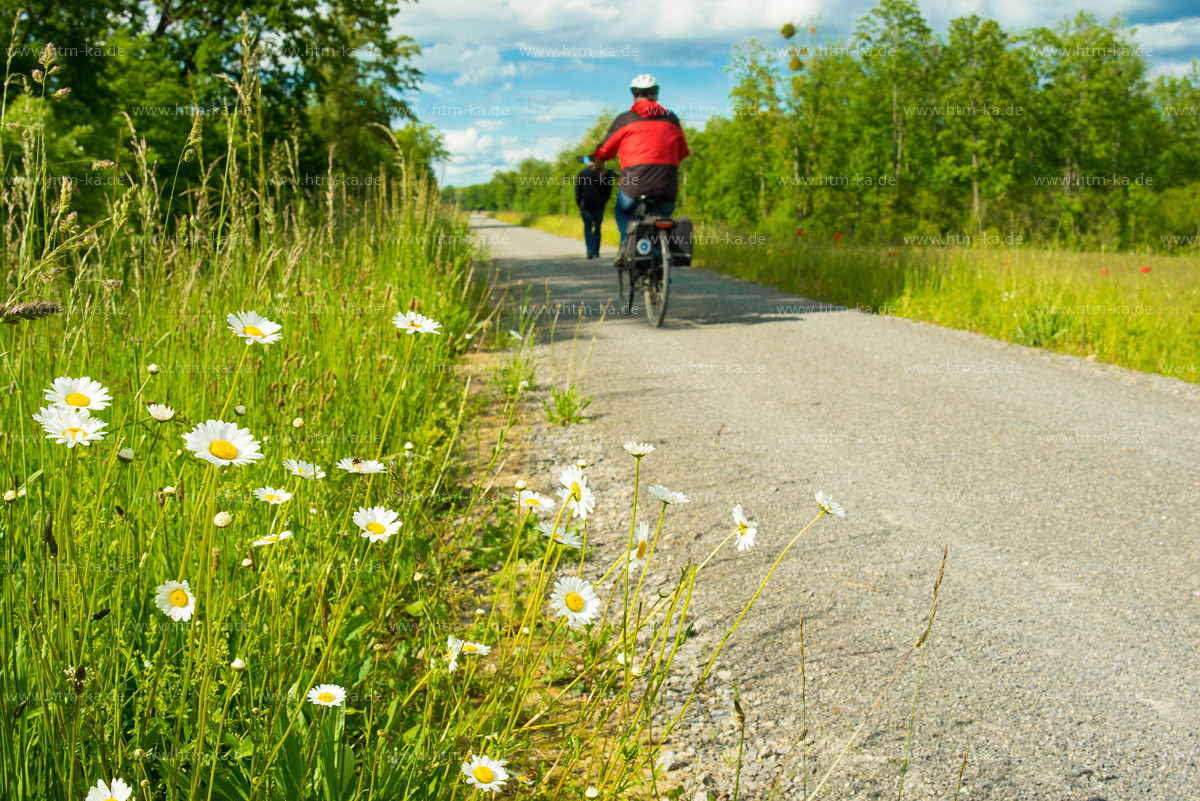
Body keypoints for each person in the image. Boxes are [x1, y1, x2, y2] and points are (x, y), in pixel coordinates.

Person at [591, 73, 690, 266]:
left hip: (633, 187)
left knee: (623, 211)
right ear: (656, 95)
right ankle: (662, 265)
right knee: (663, 215)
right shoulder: (671, 119)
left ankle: (625, 247)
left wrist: (598, 166)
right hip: (666, 187)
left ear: (634, 96)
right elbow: (683, 152)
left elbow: (603, 150)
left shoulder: (625, 120)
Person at [573, 159, 613, 259]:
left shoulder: (582, 173)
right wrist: (604, 201)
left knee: (588, 227)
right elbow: (608, 190)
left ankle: (589, 249)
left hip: (586, 205)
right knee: (598, 228)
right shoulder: (605, 173)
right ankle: (596, 252)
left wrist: (579, 203)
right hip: (599, 205)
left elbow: (577, 190)